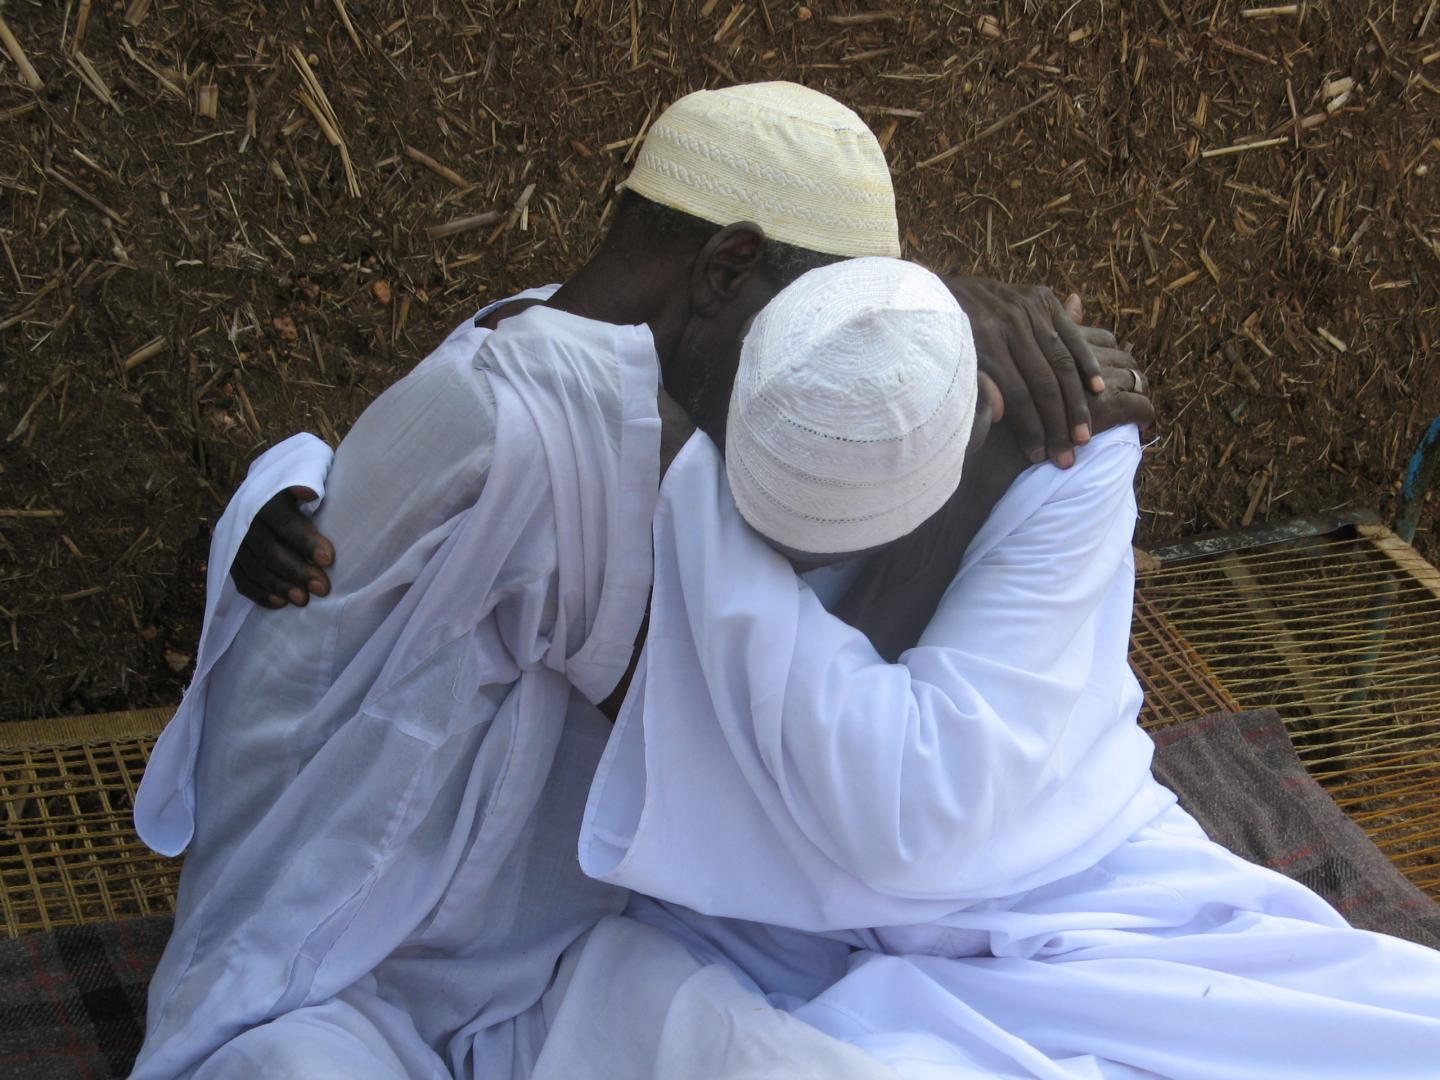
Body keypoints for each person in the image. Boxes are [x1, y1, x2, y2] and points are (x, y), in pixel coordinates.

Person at [131, 83, 1126, 1078]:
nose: (829, 398)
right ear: (727, 268)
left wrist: (946, 365)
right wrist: (980, 443)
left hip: (539, 970)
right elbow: (791, 751)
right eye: (819, 343)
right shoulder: (565, 430)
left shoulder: (548, 365)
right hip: (316, 988)